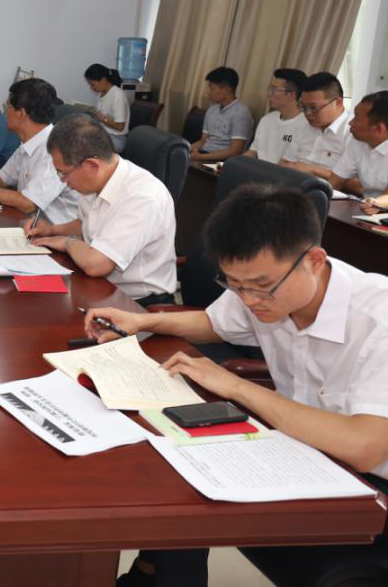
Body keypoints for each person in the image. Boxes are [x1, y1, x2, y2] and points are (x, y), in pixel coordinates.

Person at [86, 185, 388, 587]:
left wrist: (238, 387)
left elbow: (364, 448)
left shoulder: (378, 320)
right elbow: (214, 323)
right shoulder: (262, 288)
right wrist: (144, 322)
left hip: (371, 485)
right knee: (174, 472)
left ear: (314, 261)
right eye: (235, 285)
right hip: (303, 451)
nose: (249, 300)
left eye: (261, 287)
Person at [27, 114, 176, 306]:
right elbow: (86, 223)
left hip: (138, 304)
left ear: (92, 165)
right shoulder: (95, 181)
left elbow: (96, 264)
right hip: (99, 287)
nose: (63, 181)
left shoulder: (142, 196)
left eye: (63, 173)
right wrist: (52, 230)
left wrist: (66, 242)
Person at [0, 78, 79, 224]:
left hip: (55, 233)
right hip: (30, 225)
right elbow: (1, 180)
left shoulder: (54, 149)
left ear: (21, 113)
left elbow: (28, 203)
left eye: (7, 106)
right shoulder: (29, 144)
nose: (4, 113)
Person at [281, 71, 352, 179]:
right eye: (303, 107)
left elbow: (356, 183)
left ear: (338, 103)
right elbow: (286, 162)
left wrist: (312, 170)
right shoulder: (302, 124)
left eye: (314, 108)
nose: (307, 113)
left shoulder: (352, 131)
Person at [328, 90, 388, 212]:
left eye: (356, 118)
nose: (350, 123)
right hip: (367, 208)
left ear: (378, 129)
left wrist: (376, 203)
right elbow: (334, 182)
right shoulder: (357, 142)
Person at [242, 68, 313, 164]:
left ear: (291, 95)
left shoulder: (306, 125)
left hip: (280, 172)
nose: (269, 94)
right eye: (270, 89)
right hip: (257, 170)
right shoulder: (267, 119)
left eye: (274, 90)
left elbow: (291, 164)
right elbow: (253, 152)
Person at [190, 66, 254, 162]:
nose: (208, 93)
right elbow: (203, 141)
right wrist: (183, 148)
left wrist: (201, 157)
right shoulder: (211, 110)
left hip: (223, 162)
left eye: (212, 88)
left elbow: (235, 151)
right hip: (204, 154)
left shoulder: (241, 113)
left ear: (226, 90)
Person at [83, 63, 129, 153]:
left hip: (116, 138)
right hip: (102, 133)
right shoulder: (100, 94)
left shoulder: (117, 96)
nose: (91, 88)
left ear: (103, 80)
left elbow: (120, 126)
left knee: (86, 146)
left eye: (92, 84)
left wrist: (103, 119)